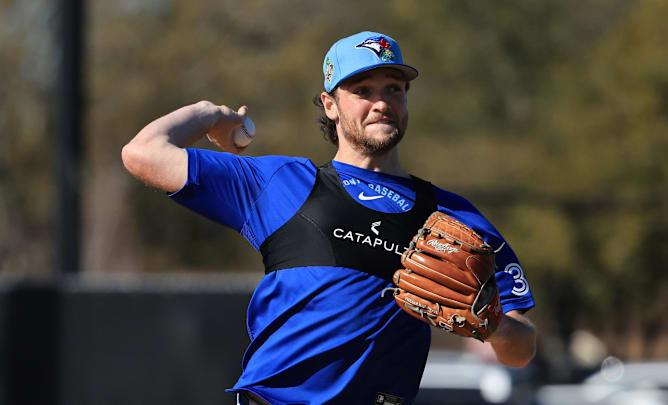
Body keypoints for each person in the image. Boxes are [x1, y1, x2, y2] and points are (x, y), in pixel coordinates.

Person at [122, 31, 536, 405]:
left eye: (394, 88)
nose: (381, 103)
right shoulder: (283, 182)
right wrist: (210, 113)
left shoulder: (453, 217)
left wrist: (492, 324)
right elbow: (143, 153)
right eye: (362, 89)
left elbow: (522, 349)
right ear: (330, 104)